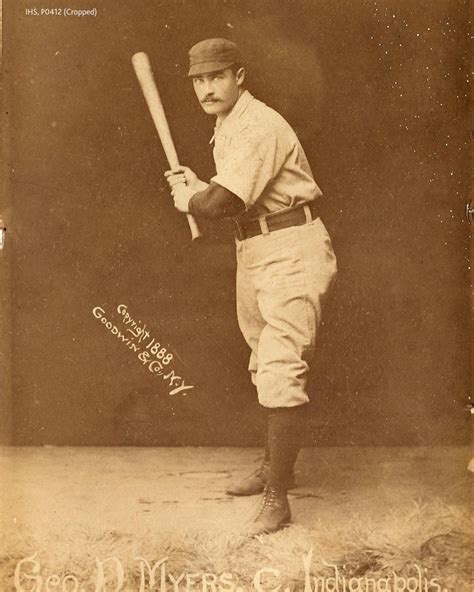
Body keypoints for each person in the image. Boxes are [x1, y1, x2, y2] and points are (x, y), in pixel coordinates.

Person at [164, 38, 337, 535]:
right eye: (198, 80)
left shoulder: (260, 124)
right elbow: (233, 194)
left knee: (281, 368)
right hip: (257, 248)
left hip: (291, 247)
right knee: (264, 362)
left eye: (217, 77)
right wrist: (200, 187)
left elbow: (225, 204)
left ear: (239, 76)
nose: (206, 88)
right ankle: (274, 468)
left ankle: (276, 500)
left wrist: (192, 200)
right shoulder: (228, 122)